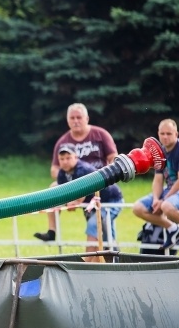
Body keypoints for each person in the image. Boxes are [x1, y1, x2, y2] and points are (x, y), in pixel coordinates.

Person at [34, 103, 117, 242]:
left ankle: (111, 254)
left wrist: (107, 175)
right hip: (74, 182)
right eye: (72, 118)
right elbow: (54, 169)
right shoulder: (63, 141)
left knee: (102, 229)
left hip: (98, 183)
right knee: (53, 187)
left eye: (79, 117)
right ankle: (51, 231)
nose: (76, 121)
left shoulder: (100, 134)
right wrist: (69, 179)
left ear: (87, 118)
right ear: (68, 121)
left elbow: (114, 158)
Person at [133, 119, 179, 249]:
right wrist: (155, 199)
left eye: (169, 134)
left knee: (166, 206)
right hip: (171, 190)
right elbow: (158, 179)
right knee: (138, 208)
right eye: (162, 133)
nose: (165, 137)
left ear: (176, 134)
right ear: (158, 134)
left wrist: (163, 200)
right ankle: (172, 228)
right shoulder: (160, 152)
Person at [55, 143, 123, 257]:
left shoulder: (83, 169)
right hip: (93, 204)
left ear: (76, 157)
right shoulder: (62, 174)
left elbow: (82, 192)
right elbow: (63, 192)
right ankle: (114, 259)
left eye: (68, 158)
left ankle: (87, 261)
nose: (65, 161)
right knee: (106, 234)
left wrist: (74, 203)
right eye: (62, 159)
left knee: (93, 225)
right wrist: (67, 203)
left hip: (111, 200)